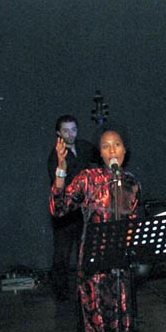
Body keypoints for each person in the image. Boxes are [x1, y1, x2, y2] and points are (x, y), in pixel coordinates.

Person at [50, 130, 141, 332]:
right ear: (100, 153)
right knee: (98, 324)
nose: (112, 150)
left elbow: (133, 221)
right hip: (94, 267)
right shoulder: (88, 178)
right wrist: (61, 170)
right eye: (106, 146)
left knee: (123, 323)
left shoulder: (131, 183)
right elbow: (59, 207)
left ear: (125, 150)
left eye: (117, 145)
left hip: (120, 264)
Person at [46, 115, 100, 302]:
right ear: (58, 133)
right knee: (62, 254)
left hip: (85, 212)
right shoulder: (55, 156)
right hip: (66, 213)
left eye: (73, 130)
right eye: (66, 130)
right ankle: (60, 294)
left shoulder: (85, 147)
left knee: (84, 254)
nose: (70, 134)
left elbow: (102, 157)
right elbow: (59, 187)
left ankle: (84, 292)